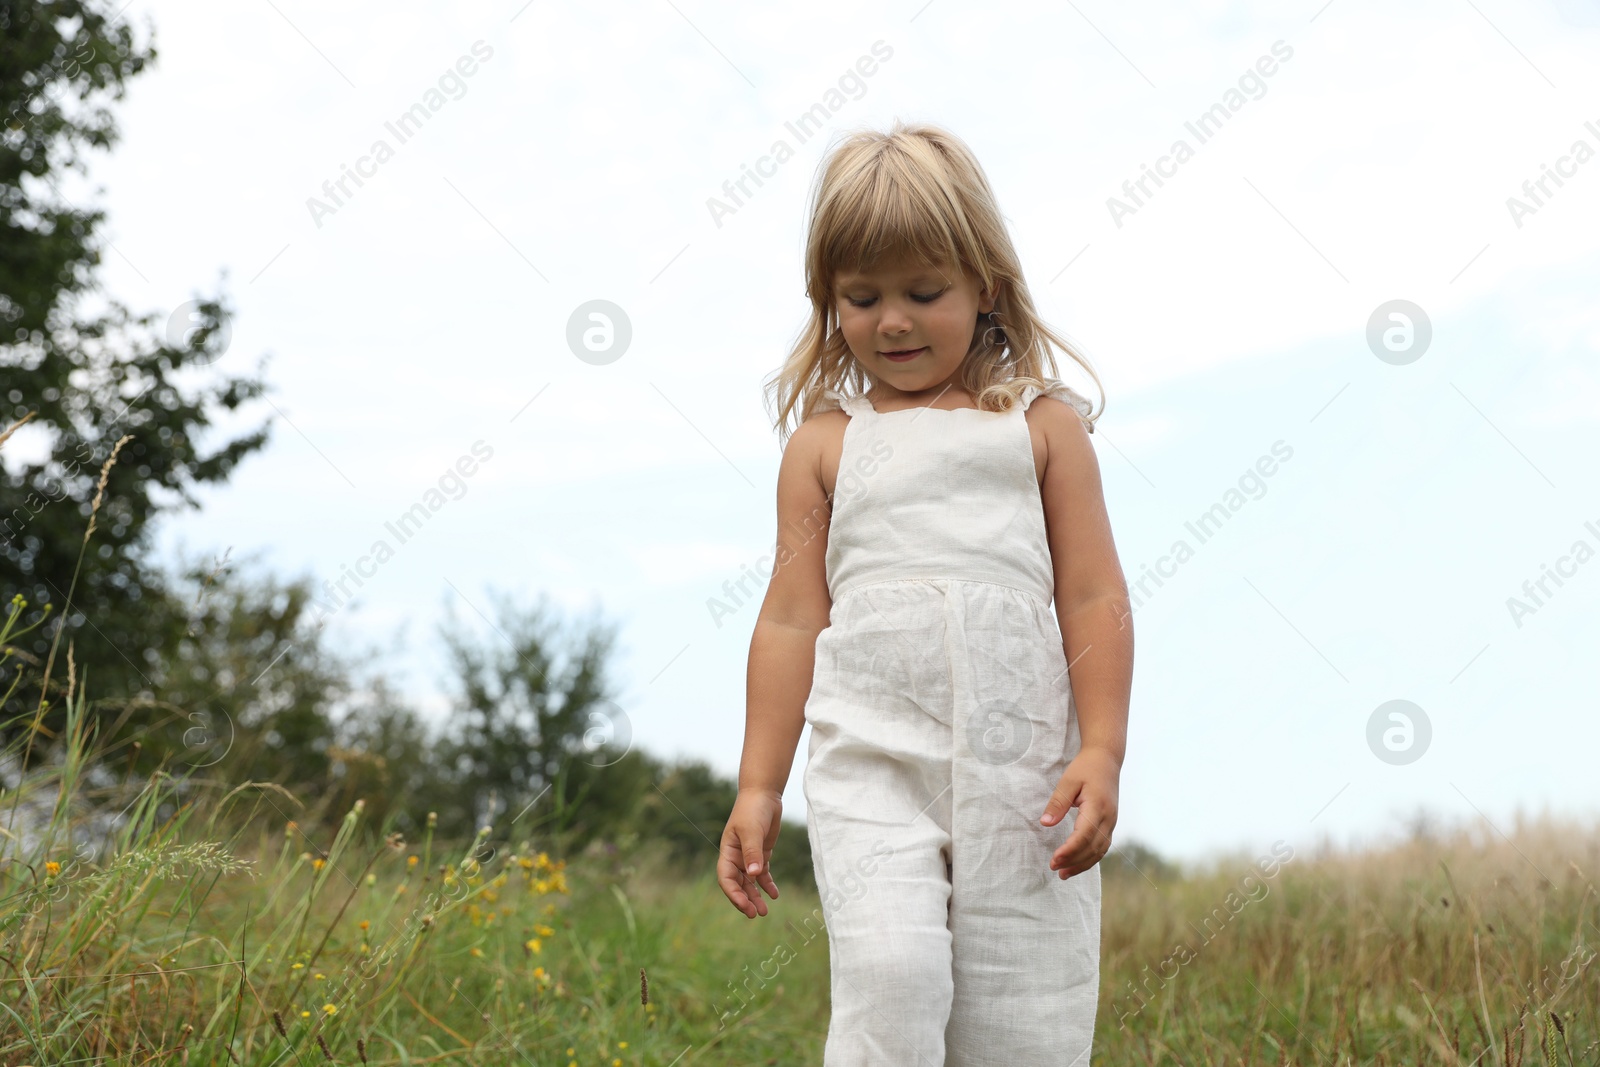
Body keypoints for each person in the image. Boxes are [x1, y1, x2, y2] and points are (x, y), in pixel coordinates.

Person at [717, 119, 1133, 1066]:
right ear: (828, 299)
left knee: (1022, 1015)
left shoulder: (1041, 427)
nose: (892, 321)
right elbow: (789, 618)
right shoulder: (826, 443)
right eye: (860, 298)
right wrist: (757, 782)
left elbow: (1094, 593)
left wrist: (1103, 746)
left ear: (986, 282)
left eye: (923, 290)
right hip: (873, 763)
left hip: (1024, 772)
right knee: (892, 979)